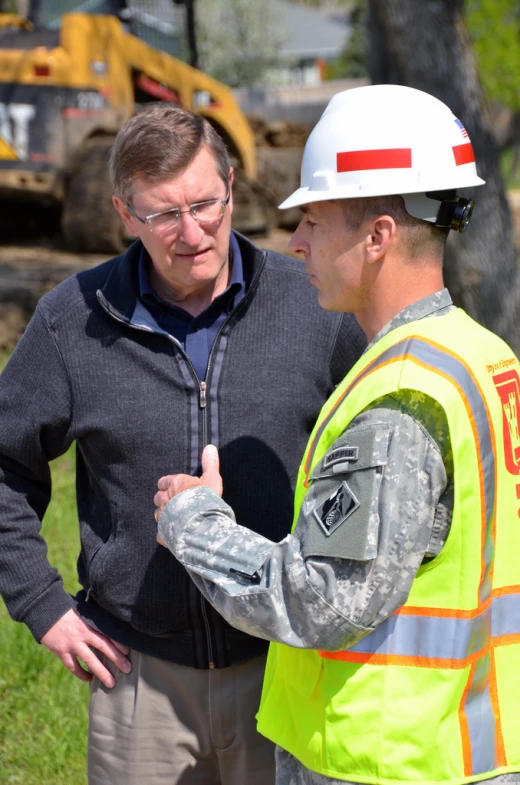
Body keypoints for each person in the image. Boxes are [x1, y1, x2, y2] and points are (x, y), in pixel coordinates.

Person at [154, 85, 520, 785]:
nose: (295, 243)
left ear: (379, 235)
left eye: (314, 221)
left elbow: (319, 599)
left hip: (386, 760)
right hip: (467, 746)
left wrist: (191, 522)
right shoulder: (482, 354)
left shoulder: (403, 399)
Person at [0, 105, 366, 785]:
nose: (193, 232)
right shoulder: (71, 320)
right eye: (164, 214)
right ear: (124, 214)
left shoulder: (314, 304)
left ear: (231, 184)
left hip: (286, 667)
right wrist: (41, 603)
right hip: (139, 678)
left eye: (206, 203)